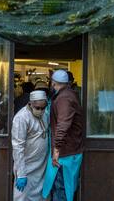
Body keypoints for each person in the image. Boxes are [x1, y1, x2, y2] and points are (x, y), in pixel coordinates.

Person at [42, 70, 84, 201]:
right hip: (69, 151)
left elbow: (63, 125)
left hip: (64, 153)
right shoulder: (70, 94)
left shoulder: (63, 99)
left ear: (53, 83)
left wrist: (56, 150)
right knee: (65, 188)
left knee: (61, 188)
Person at [12, 90, 49, 201]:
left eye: (43, 108)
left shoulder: (44, 114)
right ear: (30, 104)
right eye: (37, 108)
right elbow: (18, 146)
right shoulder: (21, 118)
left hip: (41, 165)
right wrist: (21, 174)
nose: (41, 111)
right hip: (27, 165)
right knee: (23, 196)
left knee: (40, 195)